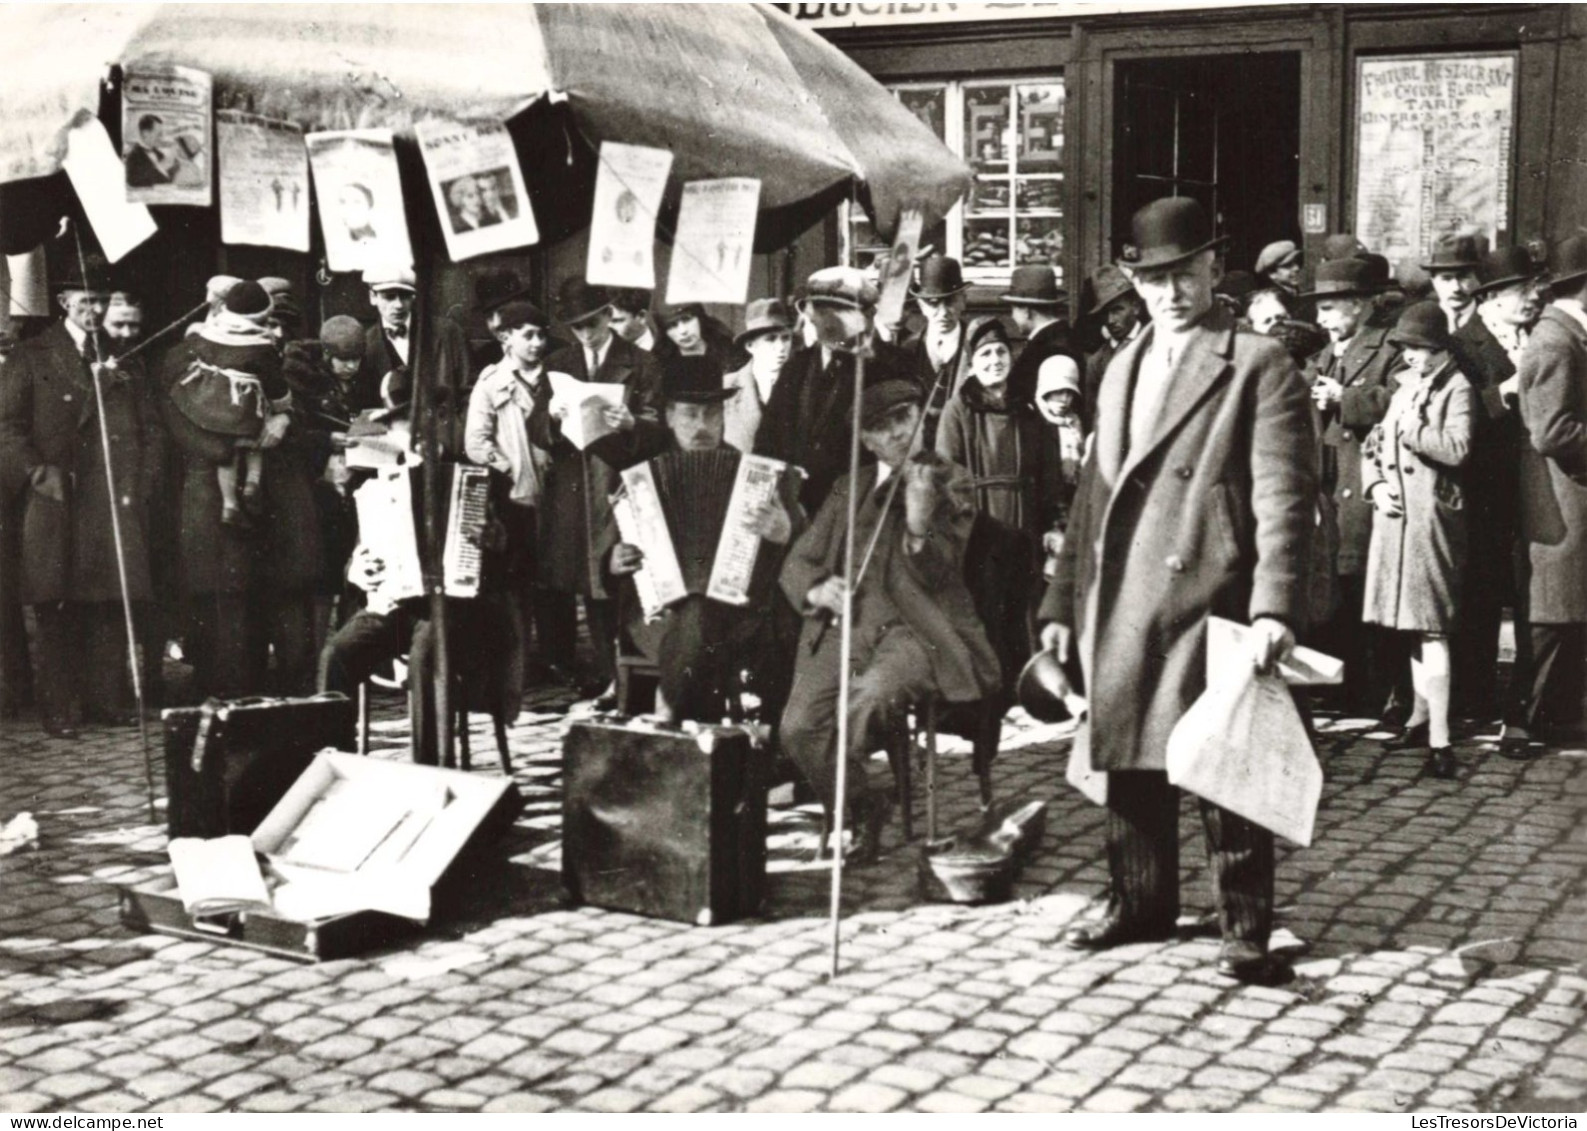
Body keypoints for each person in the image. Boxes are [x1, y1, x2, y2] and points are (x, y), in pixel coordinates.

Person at [1042, 197, 1318, 982]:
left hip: (1212, 591)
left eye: (1183, 273)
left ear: (1210, 268)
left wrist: (1274, 606)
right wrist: (1061, 606)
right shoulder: (1121, 365)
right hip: (1123, 590)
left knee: (1221, 759)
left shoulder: (1255, 362)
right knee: (1129, 752)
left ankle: (1243, 925)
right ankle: (1140, 901)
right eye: (1152, 278)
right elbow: (1092, 499)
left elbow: (1282, 495)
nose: (1169, 292)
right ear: (1135, 281)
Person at [780, 369, 1000, 865]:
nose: (898, 432)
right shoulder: (847, 487)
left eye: (905, 418)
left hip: (915, 632)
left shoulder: (951, 480)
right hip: (847, 628)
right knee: (796, 727)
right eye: (882, 426)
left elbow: (941, 573)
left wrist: (920, 523)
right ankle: (863, 803)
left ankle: (856, 813)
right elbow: (799, 559)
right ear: (865, 438)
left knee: (866, 703)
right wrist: (818, 587)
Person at [0, 258, 160, 737]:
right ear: (64, 302)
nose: (94, 310)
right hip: (56, 498)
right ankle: (60, 709)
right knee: (57, 607)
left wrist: (143, 483)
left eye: (101, 301)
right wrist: (33, 474)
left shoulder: (129, 356)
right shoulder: (33, 355)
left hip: (112, 498)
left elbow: (151, 428)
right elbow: (6, 427)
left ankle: (103, 701)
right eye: (86, 301)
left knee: (108, 604)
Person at [608, 354, 801, 723]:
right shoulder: (643, 475)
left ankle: (672, 721)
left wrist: (784, 532)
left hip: (740, 614)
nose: (702, 426)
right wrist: (615, 559)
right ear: (668, 417)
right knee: (695, 616)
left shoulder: (752, 476)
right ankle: (698, 735)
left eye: (712, 413)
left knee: (701, 616)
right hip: (658, 613)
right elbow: (611, 548)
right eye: (690, 414)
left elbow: (802, 550)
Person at [1361, 301, 1478, 780]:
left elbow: (1458, 449)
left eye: (1420, 349)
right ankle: (1418, 716)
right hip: (1395, 522)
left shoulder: (1459, 388)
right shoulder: (1405, 387)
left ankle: (1441, 738)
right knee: (1411, 625)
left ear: (1440, 348)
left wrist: (1413, 430)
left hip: (1431, 523)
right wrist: (1376, 485)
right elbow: (1372, 443)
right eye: (1407, 349)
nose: (1412, 358)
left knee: (1432, 628)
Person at [534, 279, 663, 701]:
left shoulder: (642, 363)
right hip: (575, 492)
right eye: (577, 327)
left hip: (621, 485)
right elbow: (536, 428)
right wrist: (551, 417)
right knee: (590, 585)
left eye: (592, 323)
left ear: (609, 315)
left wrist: (632, 424)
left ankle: (631, 680)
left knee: (625, 582)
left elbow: (660, 428)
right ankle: (612, 678)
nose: (586, 335)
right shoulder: (560, 362)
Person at [1450, 245, 1548, 726]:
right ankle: (1473, 700)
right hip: (1484, 492)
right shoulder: (1463, 344)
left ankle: (1525, 703)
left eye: (1533, 288)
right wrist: (1499, 396)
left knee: (1533, 594)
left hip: (1535, 488)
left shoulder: (1541, 335)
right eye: (1521, 290)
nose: (1533, 297)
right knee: (1480, 596)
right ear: (1490, 299)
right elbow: (1456, 412)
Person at [1302, 256, 1403, 716]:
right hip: (1329, 484)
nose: (1321, 320)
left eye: (1329, 308)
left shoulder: (1389, 348)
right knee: (1335, 583)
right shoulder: (1323, 355)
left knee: (1365, 583)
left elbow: (1400, 401)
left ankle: (1375, 689)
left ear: (1360, 306)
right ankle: (1342, 685)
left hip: (1363, 481)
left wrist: (1347, 399)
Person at [1510, 234, 1587, 752]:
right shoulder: (1555, 340)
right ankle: (1522, 721)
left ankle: (1554, 716)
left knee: (1567, 613)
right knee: (1551, 617)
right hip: (1558, 503)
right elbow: (1551, 430)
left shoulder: (1567, 336)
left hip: (1568, 500)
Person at [756, 269, 906, 515]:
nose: (828, 322)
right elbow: (766, 445)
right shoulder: (795, 368)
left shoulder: (889, 369)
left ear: (866, 316)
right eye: (820, 311)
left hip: (858, 515)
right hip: (795, 517)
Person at [464, 299, 559, 677]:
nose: (537, 343)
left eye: (541, 336)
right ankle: (519, 660)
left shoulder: (556, 378)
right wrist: (506, 466)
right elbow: (475, 440)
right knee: (517, 583)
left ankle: (557, 658)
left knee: (555, 582)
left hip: (556, 493)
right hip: (514, 497)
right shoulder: (491, 383)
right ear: (506, 338)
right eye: (528, 336)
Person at [164, 281, 281, 528]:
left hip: (211, 405)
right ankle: (252, 482)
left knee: (226, 456)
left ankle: (230, 504)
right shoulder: (262, 346)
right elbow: (275, 385)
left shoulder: (208, 334)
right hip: (244, 407)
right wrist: (282, 408)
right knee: (256, 441)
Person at [901, 256, 972, 447]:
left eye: (950, 302)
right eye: (933, 303)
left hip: (965, 447)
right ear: (921, 306)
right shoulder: (908, 349)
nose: (942, 312)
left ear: (963, 301)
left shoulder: (977, 348)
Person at [1002, 264, 1074, 419]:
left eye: (1013, 309)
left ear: (1026, 311)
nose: (1012, 316)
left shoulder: (1050, 349)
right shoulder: (1058, 338)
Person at [723, 297, 794, 453]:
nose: (781, 347)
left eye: (786, 338)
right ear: (750, 346)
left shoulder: (801, 385)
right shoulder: (726, 388)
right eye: (771, 339)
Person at [1080, 264, 1145, 424]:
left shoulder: (1156, 344)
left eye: (1117, 310)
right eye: (1105, 313)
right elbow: (1093, 416)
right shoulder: (1097, 362)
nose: (1110, 320)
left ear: (1135, 307)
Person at [355, 263, 416, 412]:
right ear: (372, 297)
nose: (399, 305)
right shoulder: (364, 345)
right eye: (389, 297)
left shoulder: (447, 333)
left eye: (405, 296)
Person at [1423, 234, 1485, 334]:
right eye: (1446, 279)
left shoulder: (1495, 320)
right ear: (1433, 282)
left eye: (1464, 277)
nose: (1456, 288)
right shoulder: (1420, 320)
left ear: (1477, 278)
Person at [124, 114, 173, 187]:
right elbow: (135, 184)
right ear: (145, 134)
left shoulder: (160, 155)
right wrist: (161, 168)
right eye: (158, 134)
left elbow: (168, 182)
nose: (161, 137)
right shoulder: (131, 157)